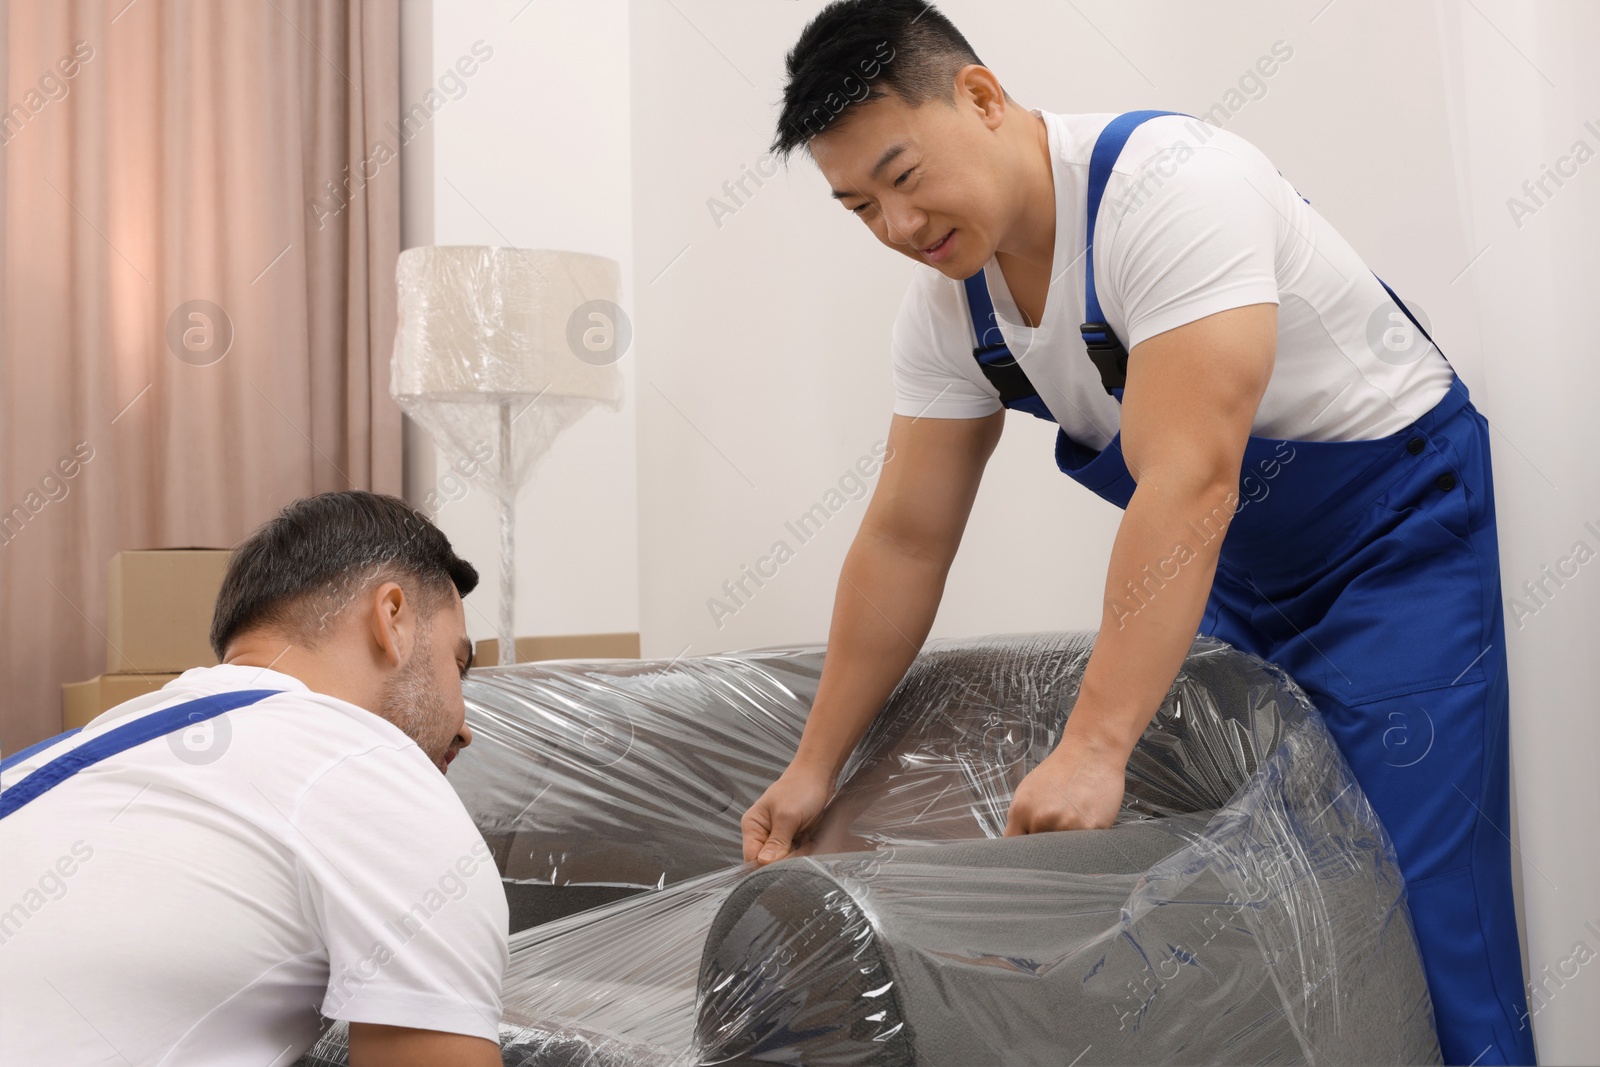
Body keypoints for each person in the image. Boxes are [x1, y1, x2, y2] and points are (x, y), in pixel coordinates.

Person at [738, 3, 1535, 1064]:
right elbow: (904, 540)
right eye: (857, 206)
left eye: (902, 174)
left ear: (978, 96)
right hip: (1240, 573)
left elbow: (1192, 477)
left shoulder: (1171, 189)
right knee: (1248, 913)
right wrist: (811, 763)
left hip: (1397, 547)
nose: (895, 225)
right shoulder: (948, 317)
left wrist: (1095, 743)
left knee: (1424, 904)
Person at [0, 491, 507, 1067]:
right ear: (392, 619)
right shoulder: (372, 769)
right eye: (457, 664)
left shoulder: (78, 753)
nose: (463, 729)